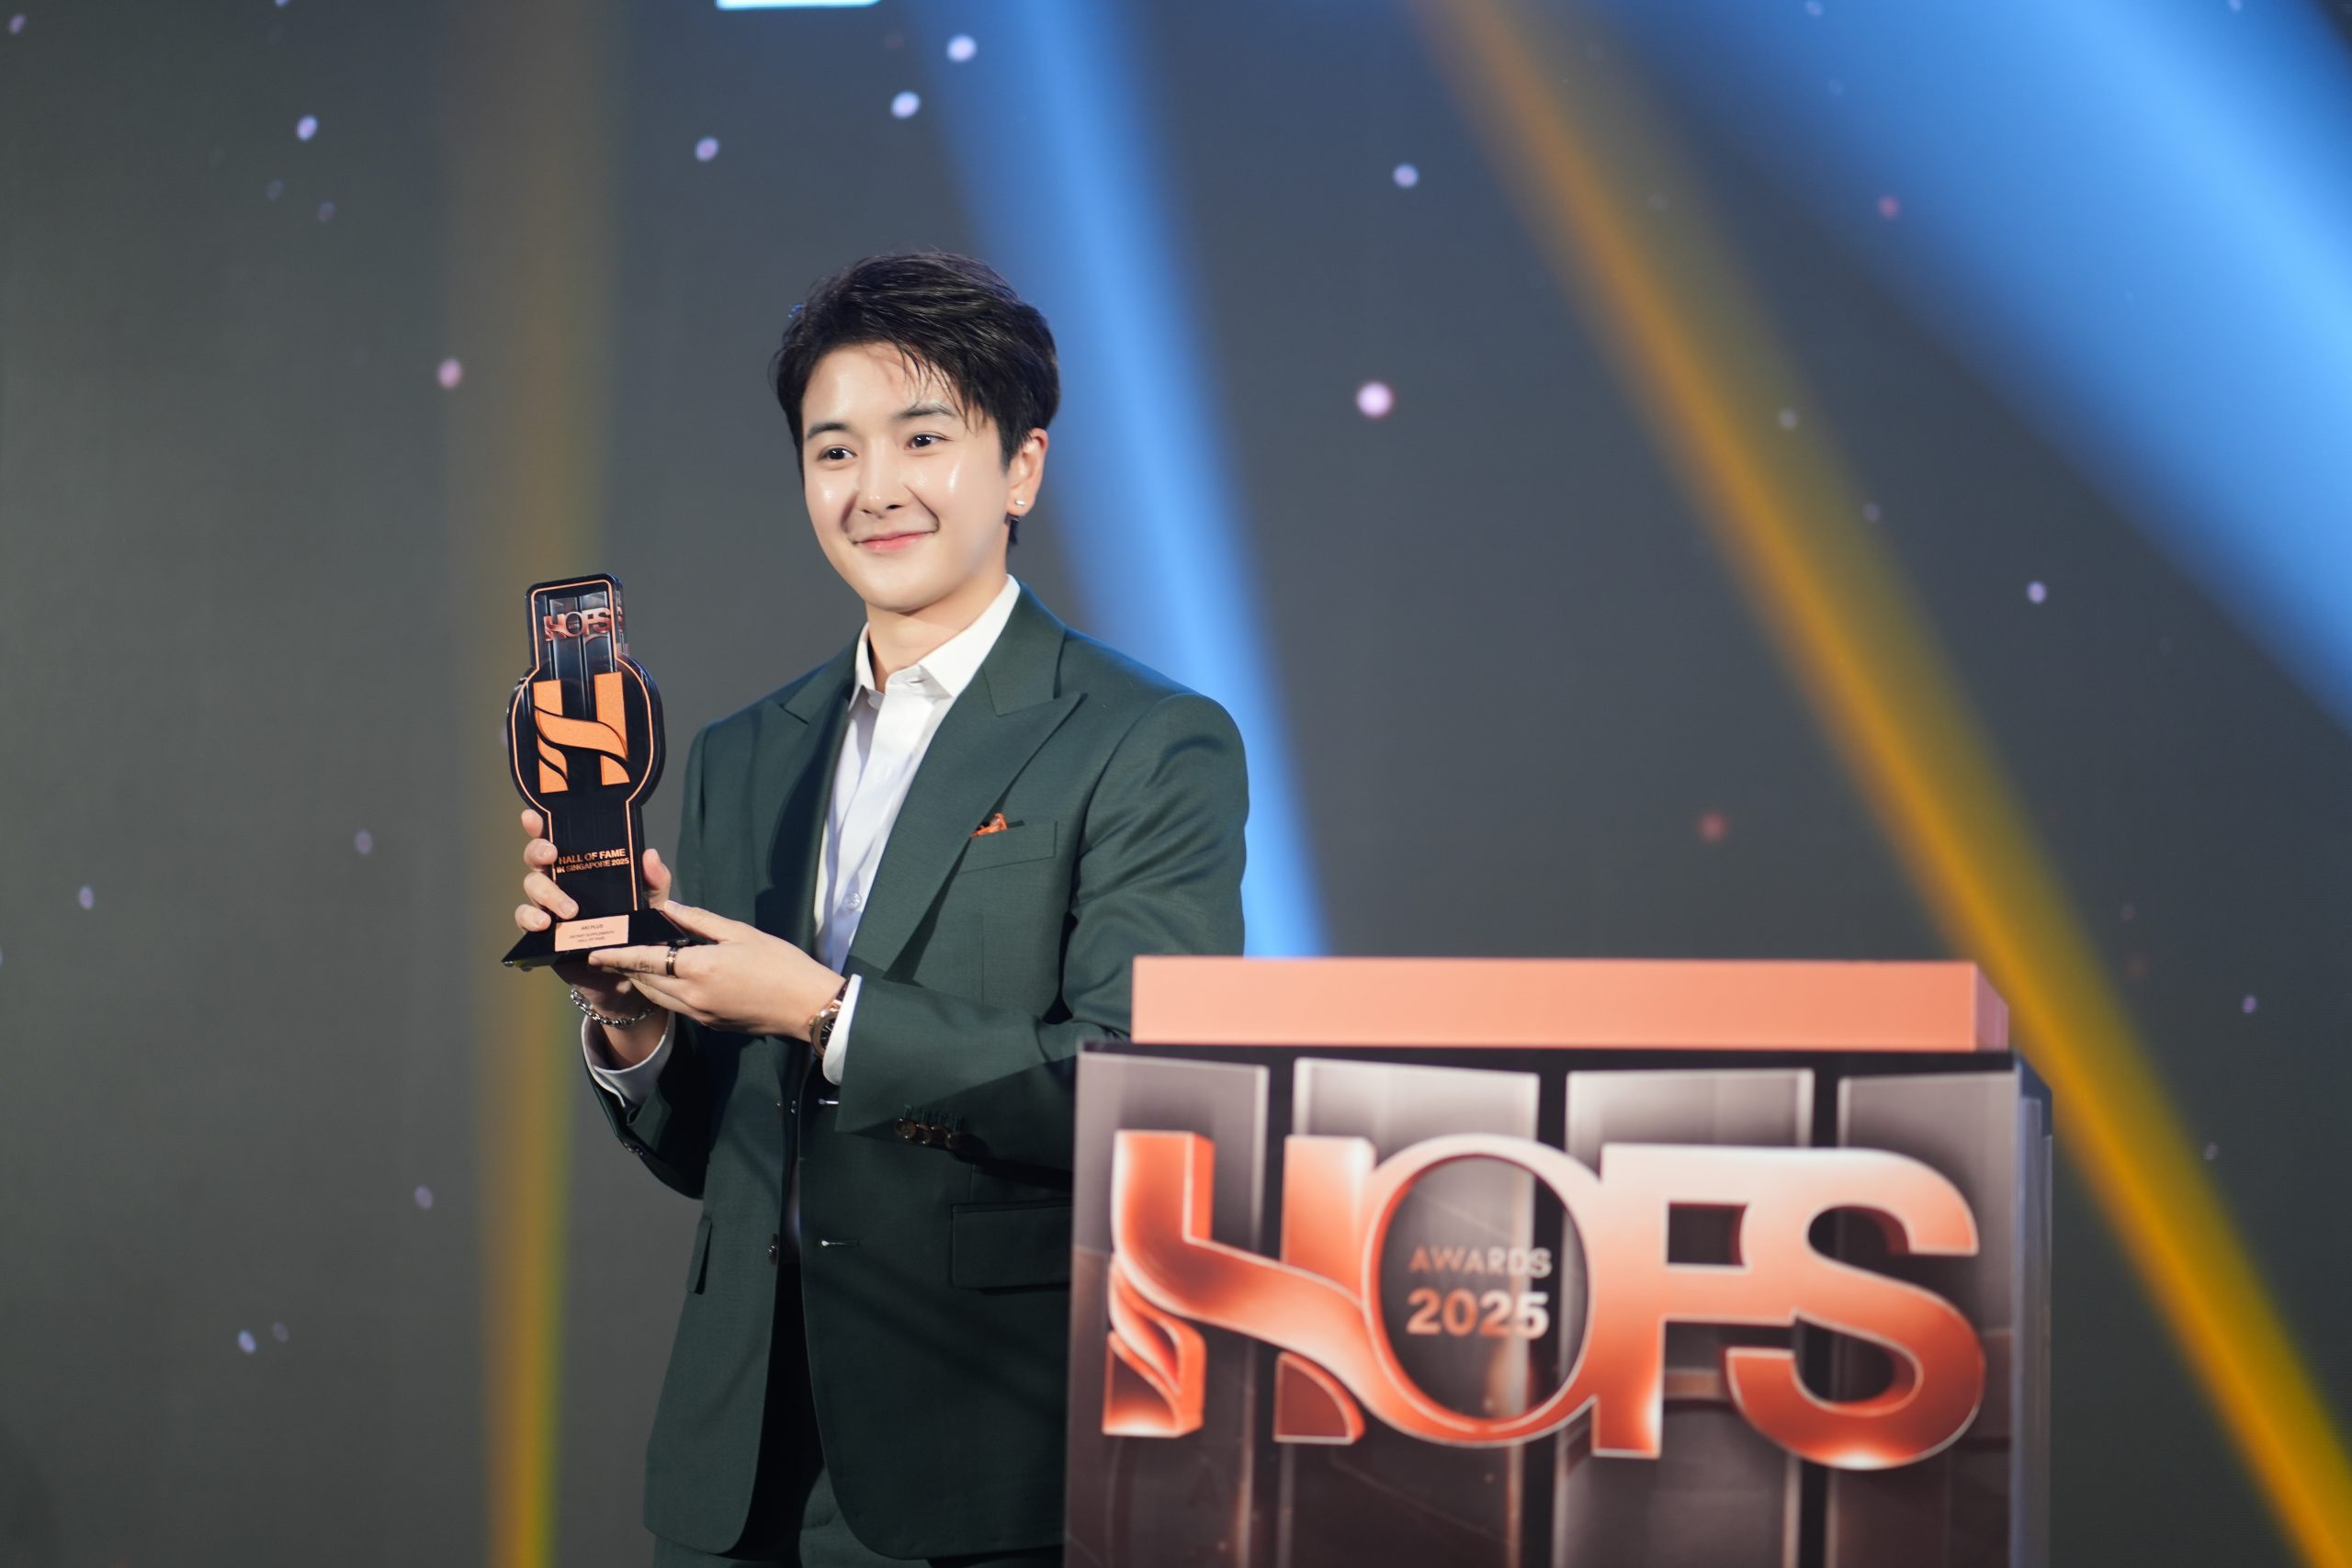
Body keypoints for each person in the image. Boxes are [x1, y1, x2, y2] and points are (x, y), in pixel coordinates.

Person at [513, 250, 1249, 1567]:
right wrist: (631, 1022)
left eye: (923, 438)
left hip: (986, 1461)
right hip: (738, 1470)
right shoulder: (745, 752)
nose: (875, 488)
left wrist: (827, 1014)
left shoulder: (1145, 740)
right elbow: (715, 1151)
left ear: (1021, 467)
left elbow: (1148, 1098)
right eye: (834, 450)